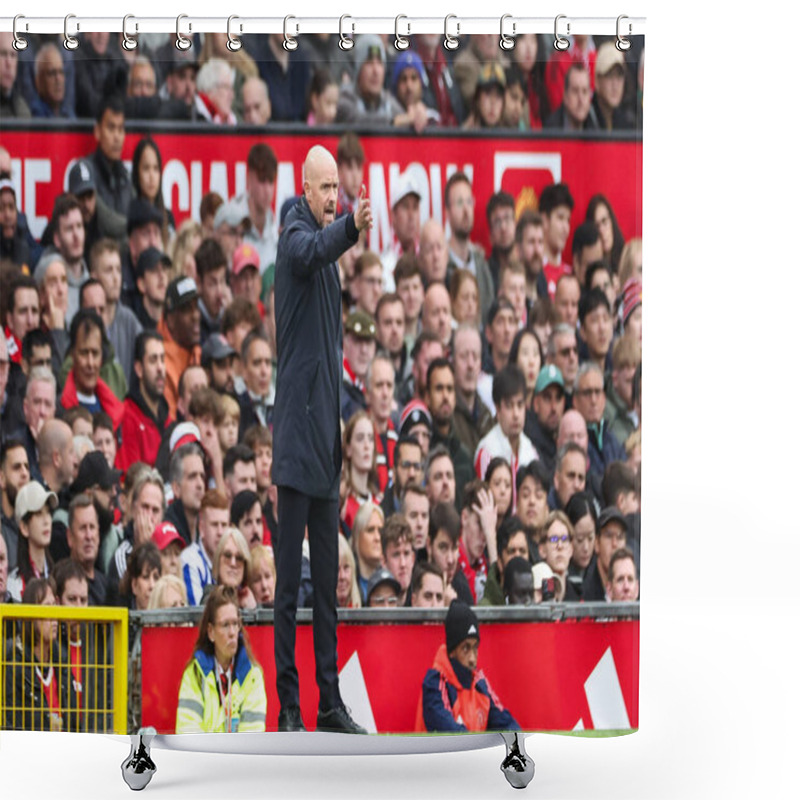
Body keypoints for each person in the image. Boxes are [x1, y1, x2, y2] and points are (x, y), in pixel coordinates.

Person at [271, 144, 372, 733]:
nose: (333, 197)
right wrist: (349, 231)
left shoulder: (322, 245)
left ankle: (328, 703)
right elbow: (310, 249)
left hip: (324, 448)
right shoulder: (295, 231)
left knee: (329, 589)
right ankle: (289, 707)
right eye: (326, 187)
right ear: (305, 187)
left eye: (338, 188)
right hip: (295, 446)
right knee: (289, 590)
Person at [175, 585, 267, 733]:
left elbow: (252, 742)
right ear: (211, 632)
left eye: (235, 624)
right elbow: (187, 735)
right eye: (225, 625)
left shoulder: (253, 677)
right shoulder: (194, 674)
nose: (232, 633)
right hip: (202, 756)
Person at [416, 601, 519, 732]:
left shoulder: (480, 684)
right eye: (465, 648)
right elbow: (449, 733)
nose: (472, 658)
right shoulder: (435, 683)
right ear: (452, 651)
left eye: (475, 648)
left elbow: (507, 724)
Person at [3, 576, 78, 731]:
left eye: (54, 607)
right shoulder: (15, 666)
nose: (53, 617)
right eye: (46, 608)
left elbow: (74, 722)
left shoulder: (62, 662)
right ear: (31, 615)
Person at [117, 331, 173, 474]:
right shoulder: (127, 417)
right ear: (139, 369)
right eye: (153, 360)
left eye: (162, 359)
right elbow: (130, 479)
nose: (160, 367)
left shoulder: (169, 419)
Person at [159, 276, 203, 419]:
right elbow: (170, 420)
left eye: (196, 307)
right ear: (170, 320)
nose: (195, 316)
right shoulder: (161, 360)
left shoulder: (198, 351)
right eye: (187, 310)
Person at [7, 480, 58, 602]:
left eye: (48, 513)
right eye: (39, 514)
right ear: (24, 527)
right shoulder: (14, 585)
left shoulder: (57, 576)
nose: (46, 521)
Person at [572, 362, 627, 475]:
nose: (593, 400)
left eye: (597, 392)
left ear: (604, 398)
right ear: (575, 401)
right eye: (587, 393)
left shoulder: (614, 442)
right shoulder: (573, 440)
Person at [451, 325, 494, 460]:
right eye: (463, 356)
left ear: (480, 364)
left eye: (475, 357)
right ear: (452, 362)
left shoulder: (487, 416)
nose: (470, 365)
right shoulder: (447, 415)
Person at [182, 488, 229, 606]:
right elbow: (198, 617)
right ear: (201, 528)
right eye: (214, 525)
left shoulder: (234, 560)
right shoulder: (190, 561)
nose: (220, 532)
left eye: (224, 525)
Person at [89, 96, 133, 217]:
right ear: (97, 131)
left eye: (120, 129)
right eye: (111, 128)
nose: (117, 137)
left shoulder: (126, 177)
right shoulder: (87, 172)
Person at [524, 364, 566, 477]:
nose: (554, 407)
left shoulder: (564, 439)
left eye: (558, 398)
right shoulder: (528, 444)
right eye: (547, 398)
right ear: (536, 403)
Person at [65, 493, 107, 606]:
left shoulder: (106, 584)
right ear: (70, 537)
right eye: (83, 528)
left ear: (98, 534)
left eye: (92, 527)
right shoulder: (61, 582)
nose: (89, 536)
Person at [481, 515, 531, 606]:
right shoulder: (486, 610)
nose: (518, 557)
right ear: (499, 562)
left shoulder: (537, 599)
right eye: (511, 551)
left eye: (522, 551)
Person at [583, 506, 629, 602]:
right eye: (608, 536)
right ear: (596, 543)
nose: (614, 544)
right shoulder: (586, 592)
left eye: (620, 537)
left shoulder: (631, 588)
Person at [208, 527, 256, 609]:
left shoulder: (251, 598)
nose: (233, 563)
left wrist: (253, 612)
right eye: (227, 555)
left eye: (239, 558)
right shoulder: (208, 597)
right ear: (218, 560)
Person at [539, 511, 580, 601]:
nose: (560, 546)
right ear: (542, 550)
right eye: (554, 539)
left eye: (564, 539)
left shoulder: (580, 598)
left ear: (571, 549)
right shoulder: (536, 596)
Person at [544, 63, 598, 131]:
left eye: (584, 92)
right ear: (565, 95)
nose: (580, 99)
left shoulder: (594, 127)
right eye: (575, 91)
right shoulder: (550, 132)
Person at [380, 513, 415, 606]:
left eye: (406, 554)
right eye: (396, 555)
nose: (403, 564)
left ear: (413, 559)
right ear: (383, 561)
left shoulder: (422, 600)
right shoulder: (373, 602)